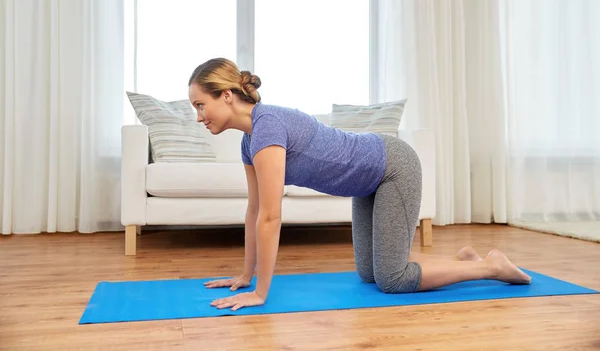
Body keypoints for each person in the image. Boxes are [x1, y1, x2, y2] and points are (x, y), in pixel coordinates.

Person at [187, 57, 532, 312]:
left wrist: (261, 293)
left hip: (392, 167)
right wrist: (246, 275)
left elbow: (271, 218)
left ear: (228, 95)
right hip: (366, 182)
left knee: (392, 280)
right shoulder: (250, 142)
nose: (199, 116)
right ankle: (463, 260)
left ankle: (490, 266)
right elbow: (255, 211)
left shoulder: (268, 127)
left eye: (201, 105)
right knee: (370, 275)